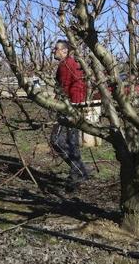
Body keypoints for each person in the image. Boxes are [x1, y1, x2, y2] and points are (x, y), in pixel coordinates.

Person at [50, 39, 90, 189]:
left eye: (56, 49)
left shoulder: (66, 65)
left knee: (57, 140)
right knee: (72, 143)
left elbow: (66, 88)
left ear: (64, 51)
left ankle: (80, 170)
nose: (54, 51)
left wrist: (64, 105)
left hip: (69, 108)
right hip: (73, 106)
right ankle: (77, 172)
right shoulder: (70, 64)